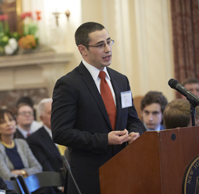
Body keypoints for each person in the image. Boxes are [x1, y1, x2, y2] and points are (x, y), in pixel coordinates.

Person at [51, 22, 145, 194]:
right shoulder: (69, 84)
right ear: (83, 49)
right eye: (100, 45)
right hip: (89, 177)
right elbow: (60, 132)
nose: (108, 49)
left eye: (109, 42)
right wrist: (104, 139)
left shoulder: (121, 80)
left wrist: (135, 133)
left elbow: (132, 119)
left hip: (124, 170)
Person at [0, 109, 42, 181]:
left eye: (11, 120)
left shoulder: (22, 143)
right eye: (3, 122)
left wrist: (21, 172)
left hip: (30, 186)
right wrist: (27, 173)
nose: (8, 124)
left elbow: (38, 168)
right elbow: (6, 176)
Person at [27, 98, 62, 172]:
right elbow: (47, 168)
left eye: (57, 111)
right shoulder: (34, 140)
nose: (55, 115)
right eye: (50, 112)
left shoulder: (69, 131)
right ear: (41, 118)